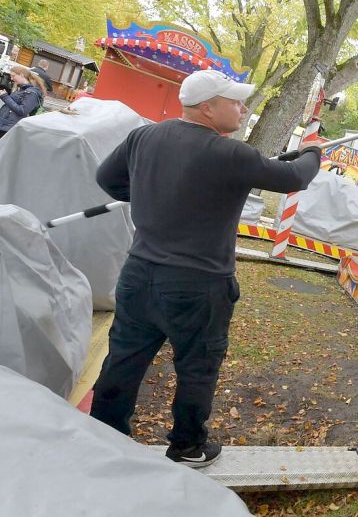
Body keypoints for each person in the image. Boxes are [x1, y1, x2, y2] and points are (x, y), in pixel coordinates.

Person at [90, 69, 323, 468]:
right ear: (207, 107)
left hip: (139, 275)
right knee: (197, 365)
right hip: (198, 287)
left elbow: (107, 179)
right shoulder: (230, 154)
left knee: (123, 359)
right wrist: (313, 150)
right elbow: (293, 178)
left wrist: (154, 195)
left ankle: (100, 436)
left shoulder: (144, 137)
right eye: (235, 101)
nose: (243, 108)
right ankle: (187, 446)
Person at [0, 64, 46, 139]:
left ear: (21, 75)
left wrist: (5, 96)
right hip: (5, 125)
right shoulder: (22, 89)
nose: (11, 78)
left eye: (13, 76)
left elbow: (22, 111)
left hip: (9, 128)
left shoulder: (32, 93)